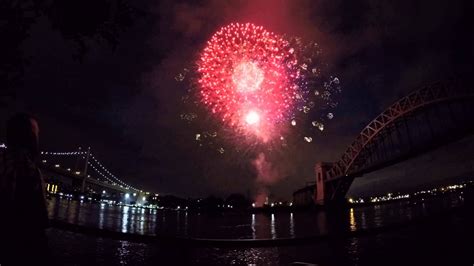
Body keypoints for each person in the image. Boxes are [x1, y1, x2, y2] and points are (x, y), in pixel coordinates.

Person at [0, 113, 50, 265]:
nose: (38, 137)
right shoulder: (28, 169)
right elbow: (38, 222)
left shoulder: (3, 159)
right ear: (28, 137)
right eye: (35, 132)